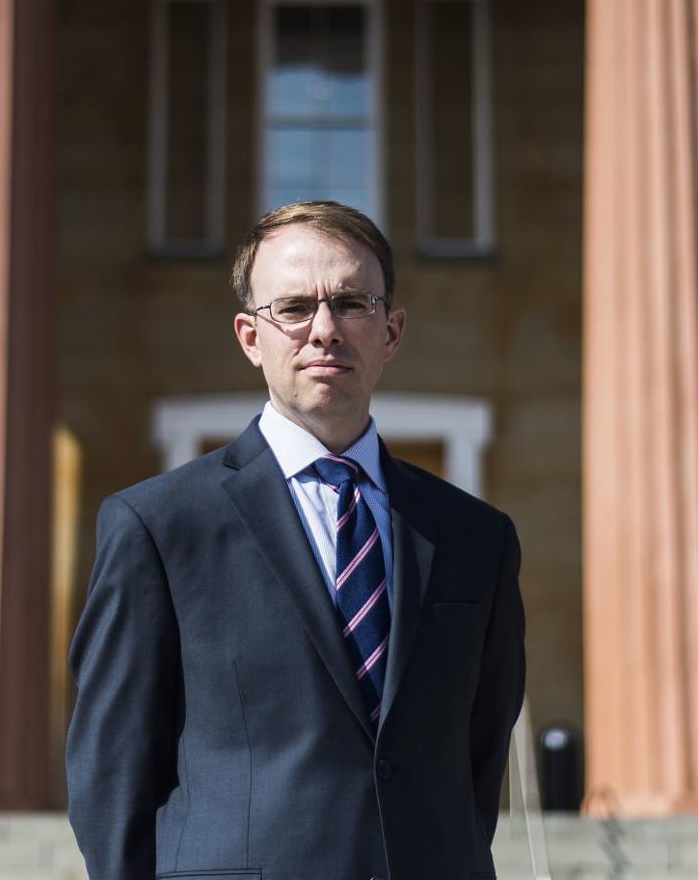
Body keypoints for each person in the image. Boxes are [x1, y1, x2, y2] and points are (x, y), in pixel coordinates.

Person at [66, 200, 525, 880]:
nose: (324, 329)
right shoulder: (158, 526)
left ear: (391, 331)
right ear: (251, 336)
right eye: (293, 307)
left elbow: (477, 756)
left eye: (351, 302)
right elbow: (111, 772)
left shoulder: (474, 536)